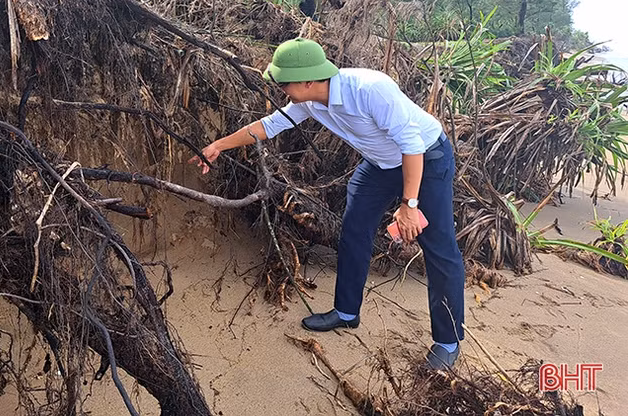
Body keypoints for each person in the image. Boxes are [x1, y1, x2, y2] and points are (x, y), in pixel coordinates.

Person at [189, 38, 465, 370]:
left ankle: (447, 342)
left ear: (308, 80)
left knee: (440, 248)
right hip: (381, 164)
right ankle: (346, 312)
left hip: (426, 159)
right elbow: (269, 125)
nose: (280, 89)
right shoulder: (309, 101)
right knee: (354, 230)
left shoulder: (370, 90)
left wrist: (409, 204)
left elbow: (412, 145)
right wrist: (218, 146)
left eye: (283, 83)